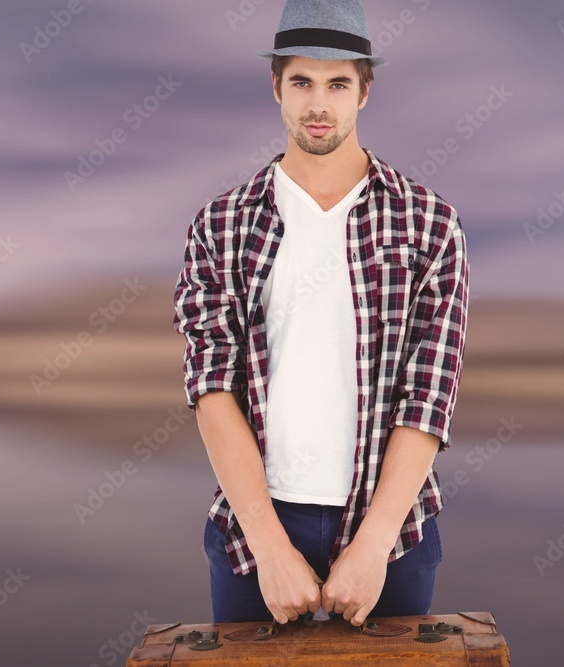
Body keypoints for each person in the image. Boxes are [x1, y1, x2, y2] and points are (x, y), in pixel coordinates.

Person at [171, 0, 470, 628]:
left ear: (364, 91)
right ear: (275, 85)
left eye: (338, 83)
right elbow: (211, 385)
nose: (317, 104)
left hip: (394, 525)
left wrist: (374, 543)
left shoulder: (429, 224)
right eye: (302, 81)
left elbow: (429, 393)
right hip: (255, 523)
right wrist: (269, 545)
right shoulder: (221, 225)